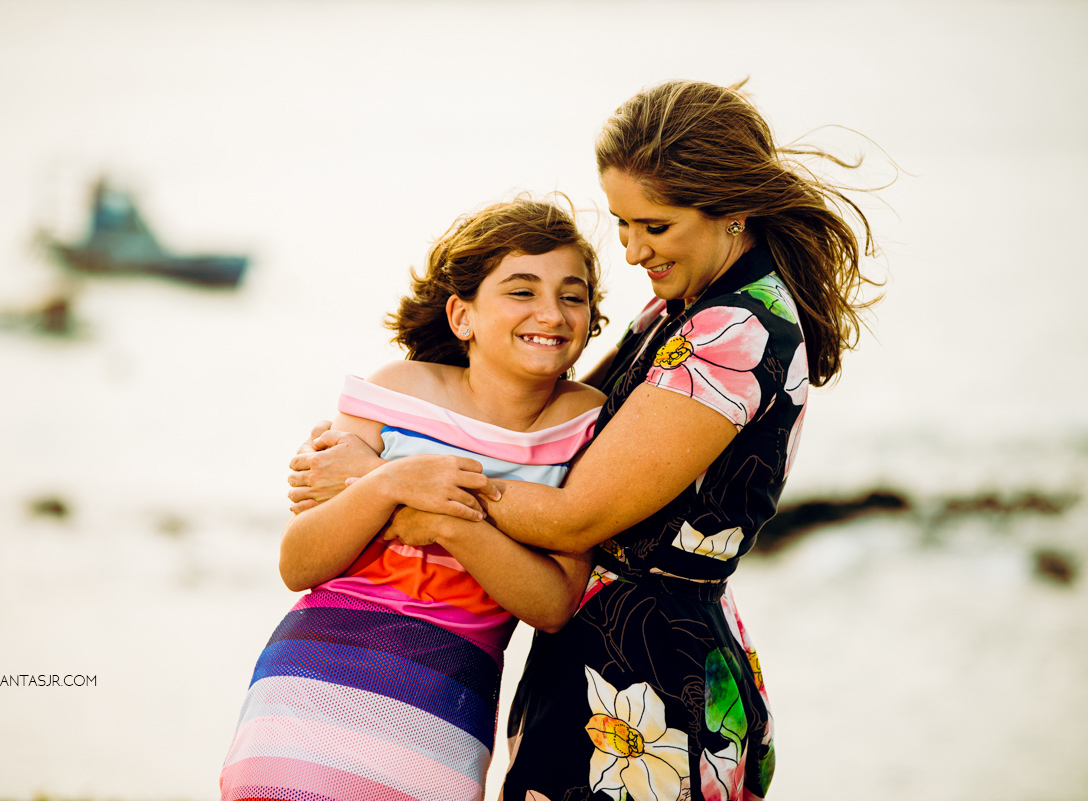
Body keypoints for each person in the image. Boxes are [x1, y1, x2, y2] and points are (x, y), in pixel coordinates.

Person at [287, 80, 881, 801]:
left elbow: (574, 512)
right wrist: (388, 448)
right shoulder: (683, 307)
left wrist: (392, 488)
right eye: (623, 223)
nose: (631, 251)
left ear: (731, 208)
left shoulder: (733, 334)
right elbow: (546, 419)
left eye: (653, 226)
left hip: (649, 681)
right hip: (599, 660)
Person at [219, 196, 611, 801]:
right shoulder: (396, 391)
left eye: (573, 294)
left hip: (447, 697)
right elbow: (299, 564)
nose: (551, 313)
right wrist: (390, 482)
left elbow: (554, 604)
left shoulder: (587, 425)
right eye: (522, 290)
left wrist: (448, 523)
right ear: (463, 316)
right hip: (313, 678)